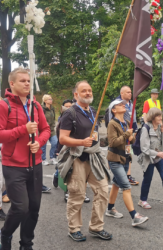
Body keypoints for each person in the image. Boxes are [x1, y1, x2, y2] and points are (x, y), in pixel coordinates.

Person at [0, 68, 50, 250]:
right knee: (20, 207)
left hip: (35, 164)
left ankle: (26, 244)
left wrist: (38, 142)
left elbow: (46, 129)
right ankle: (5, 234)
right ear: (12, 84)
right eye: (22, 80)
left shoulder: (36, 105)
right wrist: (23, 130)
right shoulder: (3, 105)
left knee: (33, 209)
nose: (27, 83)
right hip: (13, 165)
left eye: (28, 81)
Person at [59, 80, 112, 242]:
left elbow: (93, 134)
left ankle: (96, 227)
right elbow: (62, 138)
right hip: (77, 158)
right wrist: (81, 142)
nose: (88, 93)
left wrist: (102, 142)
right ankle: (74, 229)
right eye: (84, 91)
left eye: (89, 90)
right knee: (77, 194)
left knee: (103, 191)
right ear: (76, 95)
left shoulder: (92, 110)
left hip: (94, 157)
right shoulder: (70, 113)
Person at [106, 99, 149, 226]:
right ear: (114, 110)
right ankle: (134, 216)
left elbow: (127, 140)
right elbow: (112, 142)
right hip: (115, 159)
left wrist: (132, 137)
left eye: (123, 104)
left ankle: (110, 209)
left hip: (125, 158)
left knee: (116, 184)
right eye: (120, 105)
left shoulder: (125, 122)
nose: (123, 106)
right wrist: (126, 134)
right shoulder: (112, 124)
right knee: (126, 187)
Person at [53, 99, 90, 203]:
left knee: (80, 173)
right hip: (66, 149)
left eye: (71, 106)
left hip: (79, 149)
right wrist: (58, 150)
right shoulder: (64, 118)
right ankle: (65, 189)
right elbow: (60, 137)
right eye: (67, 106)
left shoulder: (78, 117)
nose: (69, 108)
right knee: (65, 170)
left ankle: (82, 192)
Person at [113, 86, 139, 186]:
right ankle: (118, 175)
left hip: (130, 132)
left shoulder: (131, 103)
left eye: (130, 92)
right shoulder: (117, 104)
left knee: (128, 153)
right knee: (119, 154)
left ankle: (128, 175)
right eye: (128, 92)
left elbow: (134, 118)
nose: (130, 94)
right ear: (122, 93)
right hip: (121, 133)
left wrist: (135, 130)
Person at [41, 94, 58, 166]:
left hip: (51, 130)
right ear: (45, 101)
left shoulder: (52, 108)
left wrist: (53, 125)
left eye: (51, 99)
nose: (51, 100)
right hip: (43, 130)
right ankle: (43, 159)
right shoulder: (41, 109)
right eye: (49, 99)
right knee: (43, 146)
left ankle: (52, 158)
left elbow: (54, 118)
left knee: (55, 142)